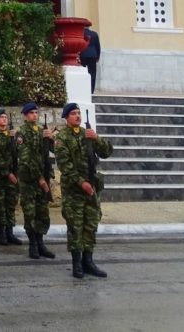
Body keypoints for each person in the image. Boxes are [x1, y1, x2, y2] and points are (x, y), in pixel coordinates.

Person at [56, 102, 113, 279]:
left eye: (79, 113)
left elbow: (107, 152)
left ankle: (88, 261)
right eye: (73, 113)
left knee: (90, 224)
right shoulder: (62, 138)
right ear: (66, 117)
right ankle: (76, 263)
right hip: (74, 191)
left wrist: (96, 139)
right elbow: (65, 166)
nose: (77, 116)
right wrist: (81, 183)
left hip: (91, 189)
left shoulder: (86, 134)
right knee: (75, 226)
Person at [16, 101, 56, 260]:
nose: (35, 115)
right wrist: (39, 178)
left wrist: (50, 139)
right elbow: (26, 158)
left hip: (43, 179)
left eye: (36, 112)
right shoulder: (22, 133)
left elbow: (52, 150)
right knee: (30, 213)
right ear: (25, 115)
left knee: (42, 212)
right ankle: (32, 244)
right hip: (30, 181)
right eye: (31, 113)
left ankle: (40, 243)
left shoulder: (41, 131)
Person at [0, 108, 23, 245]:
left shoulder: (12, 135)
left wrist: (18, 141)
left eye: (5, 117)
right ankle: (2, 232)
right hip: (0, 177)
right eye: (1, 117)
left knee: (11, 204)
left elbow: (19, 155)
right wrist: (7, 173)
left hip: (13, 177)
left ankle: (10, 232)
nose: (4, 119)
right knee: (0, 205)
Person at [80, 26, 101, 93]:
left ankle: (83, 89)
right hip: (93, 55)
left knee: (82, 72)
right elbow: (98, 46)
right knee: (92, 73)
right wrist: (98, 57)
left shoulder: (81, 34)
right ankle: (91, 90)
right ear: (89, 26)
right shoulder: (94, 34)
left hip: (83, 55)